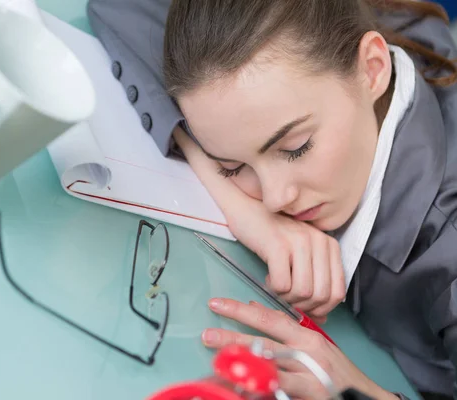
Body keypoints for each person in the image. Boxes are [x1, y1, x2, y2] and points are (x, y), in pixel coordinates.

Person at [86, 0, 457, 398]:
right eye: (233, 165)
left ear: (373, 69)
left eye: (296, 148)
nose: (275, 199)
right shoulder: (321, 27)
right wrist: (238, 203)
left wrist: (358, 390)